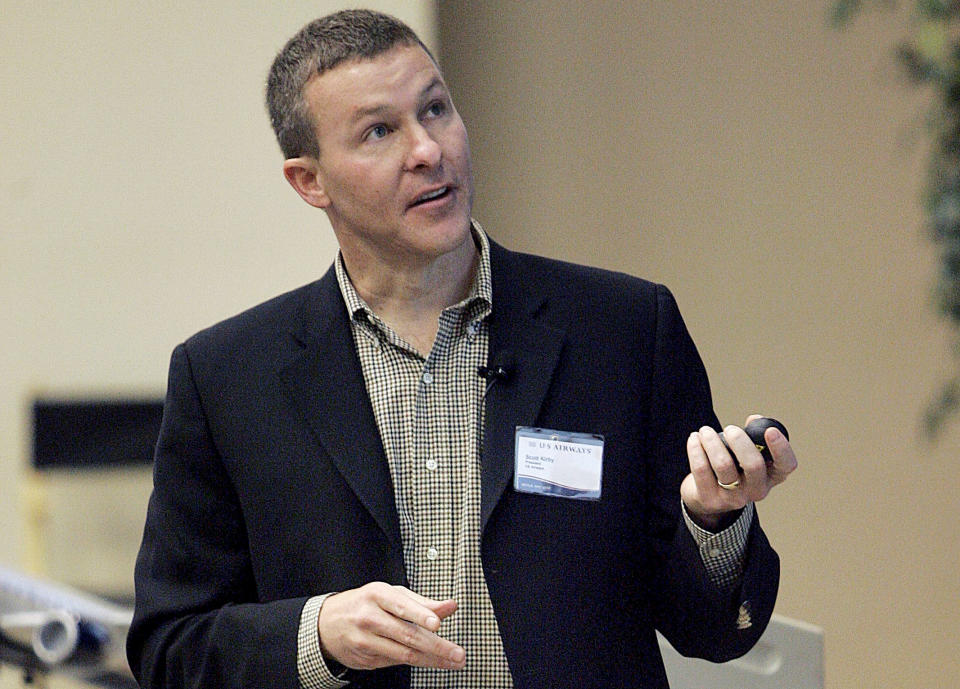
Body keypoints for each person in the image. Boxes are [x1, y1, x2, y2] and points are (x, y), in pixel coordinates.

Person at [127, 9, 797, 689]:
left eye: (436, 109)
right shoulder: (228, 378)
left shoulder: (623, 330)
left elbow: (713, 630)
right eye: (380, 131)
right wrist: (317, 632)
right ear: (310, 181)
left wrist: (714, 517)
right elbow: (170, 647)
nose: (428, 149)